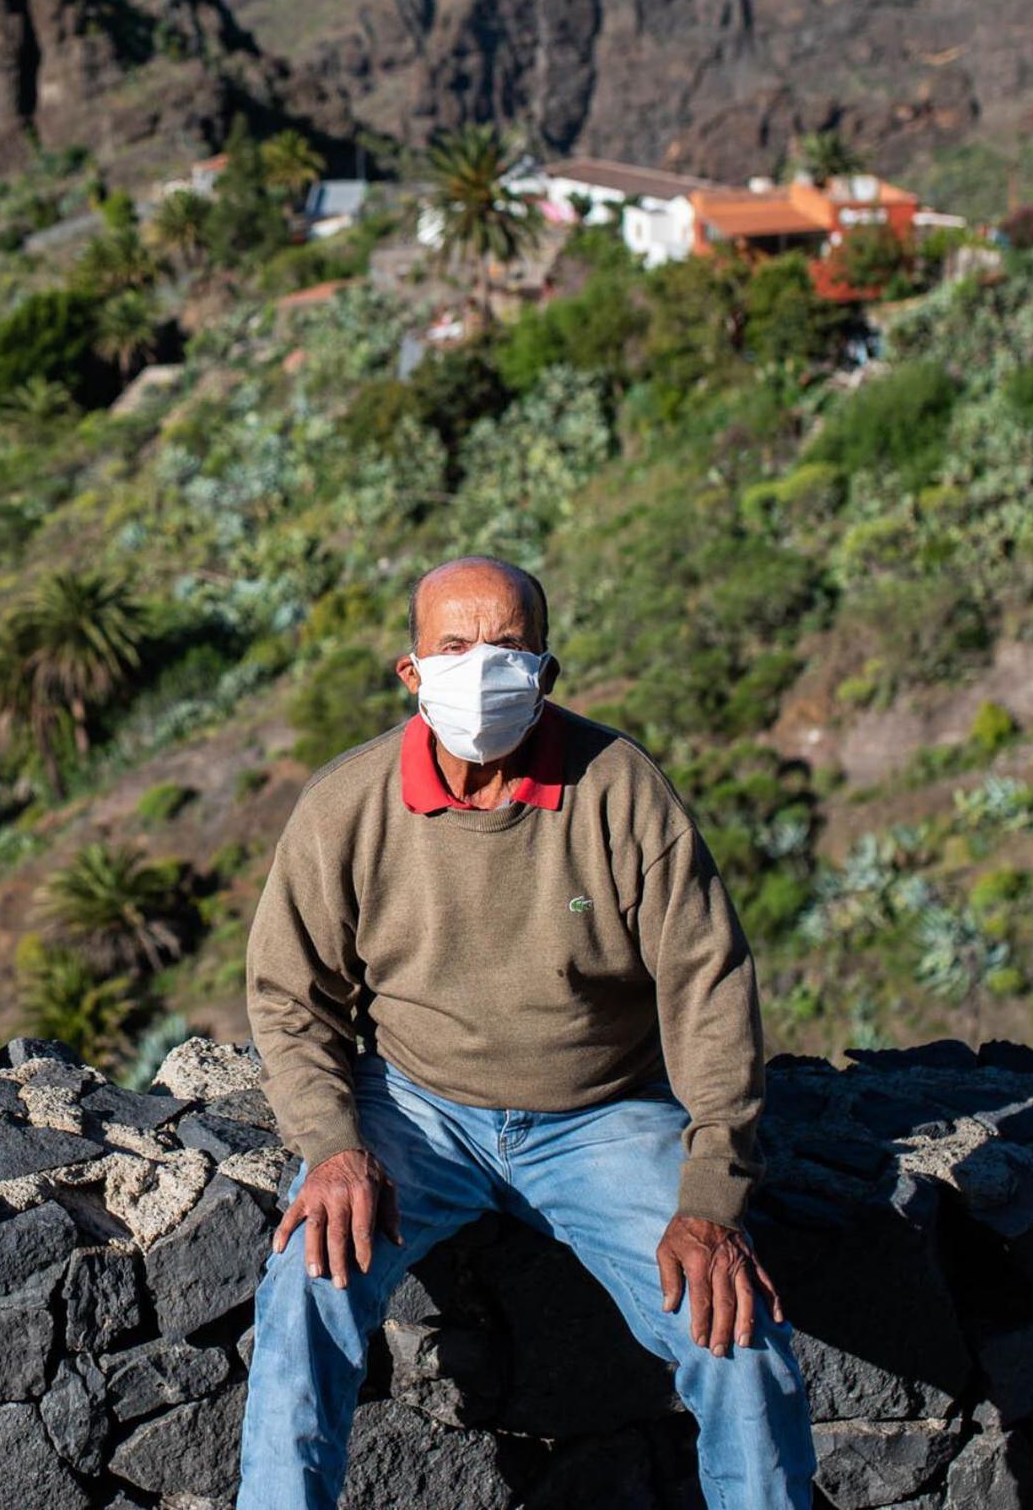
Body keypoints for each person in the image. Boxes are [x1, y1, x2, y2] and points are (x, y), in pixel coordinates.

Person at [237, 554, 816, 1510]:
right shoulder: (346, 807)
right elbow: (290, 996)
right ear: (410, 671)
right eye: (454, 647)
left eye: (507, 648)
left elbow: (710, 990)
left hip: (603, 1114)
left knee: (734, 1331)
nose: (481, 669)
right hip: (418, 1110)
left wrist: (713, 1195)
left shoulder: (621, 791)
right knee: (305, 1290)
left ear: (545, 669)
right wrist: (332, 1145)